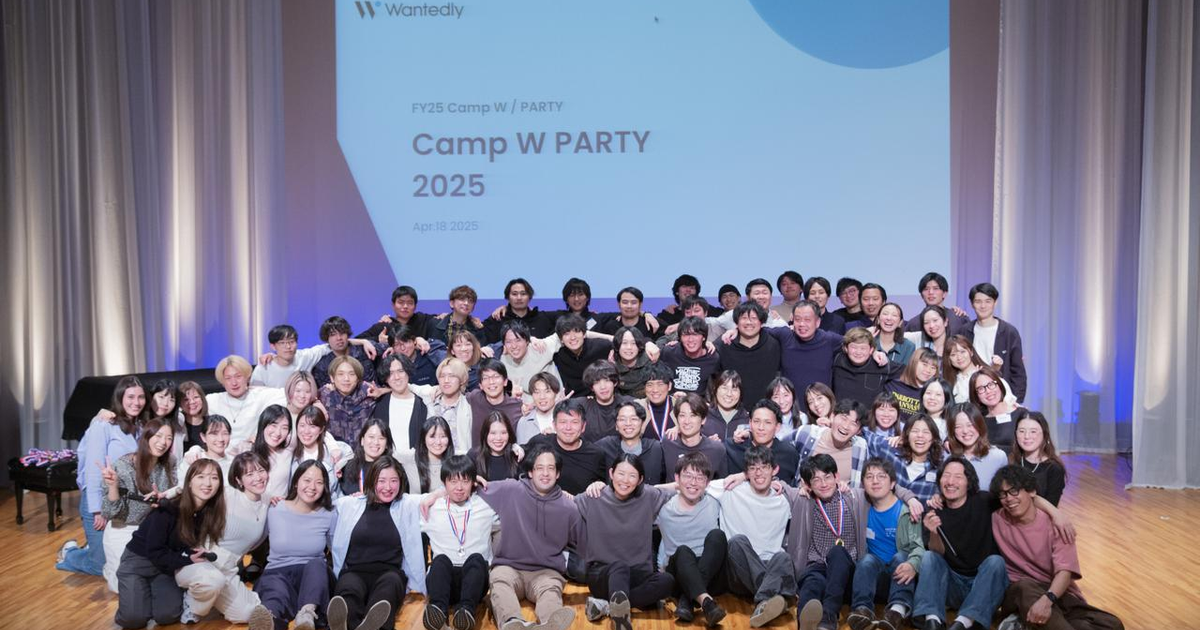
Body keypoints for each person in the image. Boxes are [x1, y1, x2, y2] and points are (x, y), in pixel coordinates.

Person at [913, 456, 1073, 630]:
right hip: (953, 585)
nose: (951, 481)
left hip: (985, 586)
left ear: (969, 482)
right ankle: (933, 620)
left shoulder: (985, 500)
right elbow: (937, 554)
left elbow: (1023, 496)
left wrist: (1055, 513)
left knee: (996, 562)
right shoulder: (934, 510)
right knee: (929, 557)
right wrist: (934, 533)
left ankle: (964, 623)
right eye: (946, 476)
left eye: (958, 477)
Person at [789, 454, 923, 630]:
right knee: (811, 585)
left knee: (838, 552)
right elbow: (778, 485)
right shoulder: (803, 499)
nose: (823, 483)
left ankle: (829, 617)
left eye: (827, 477)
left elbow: (885, 486)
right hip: (818, 566)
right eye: (816, 480)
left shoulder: (855, 497)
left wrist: (911, 498)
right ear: (808, 485)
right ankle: (805, 623)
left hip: (847, 568)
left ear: (837, 477)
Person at [989, 466, 1124, 630]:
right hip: (1020, 591)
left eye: (1014, 491)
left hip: (1055, 592)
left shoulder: (1059, 525)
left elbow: (1065, 572)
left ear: (1031, 491)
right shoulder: (997, 518)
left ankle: (1024, 623)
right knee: (1025, 587)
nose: (1009, 499)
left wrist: (1048, 600)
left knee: (1112, 624)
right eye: (1003, 494)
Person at [113, 458, 225, 630]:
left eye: (214, 478)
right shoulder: (168, 508)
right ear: (189, 482)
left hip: (164, 568)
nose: (208, 483)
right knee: (133, 620)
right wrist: (186, 559)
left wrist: (190, 555)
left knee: (168, 615)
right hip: (138, 562)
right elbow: (155, 552)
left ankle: (146, 598)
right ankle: (138, 601)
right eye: (201, 477)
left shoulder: (208, 512)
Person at [480, 445, 581, 630]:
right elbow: (465, 488)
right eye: (539, 468)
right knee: (499, 582)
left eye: (551, 468)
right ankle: (512, 623)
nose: (545, 473)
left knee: (551, 593)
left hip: (547, 572)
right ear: (530, 472)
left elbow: (583, 543)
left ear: (558, 474)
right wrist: (440, 492)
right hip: (509, 567)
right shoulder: (511, 490)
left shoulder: (569, 508)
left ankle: (550, 625)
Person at [58, 376, 147, 578]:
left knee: (121, 561)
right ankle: (70, 553)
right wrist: (98, 509)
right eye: (130, 397)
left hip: (122, 502)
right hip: (99, 502)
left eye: (141, 397)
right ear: (120, 398)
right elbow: (93, 469)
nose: (136, 402)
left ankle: (93, 546)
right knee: (100, 567)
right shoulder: (104, 424)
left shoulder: (140, 427)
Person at [576, 454, 675, 630]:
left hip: (637, 574)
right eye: (621, 473)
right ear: (611, 473)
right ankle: (620, 619)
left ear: (640, 480)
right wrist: (593, 484)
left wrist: (733, 478)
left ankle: (606, 606)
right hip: (603, 574)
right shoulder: (594, 496)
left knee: (667, 581)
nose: (625, 480)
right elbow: (565, 501)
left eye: (632, 475)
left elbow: (682, 486)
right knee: (619, 567)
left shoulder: (648, 496)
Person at [329, 455, 427, 630]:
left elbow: (439, 494)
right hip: (354, 571)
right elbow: (320, 505)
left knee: (384, 596)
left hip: (390, 573)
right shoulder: (349, 504)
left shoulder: (407, 504)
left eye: (393, 481)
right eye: (381, 481)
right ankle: (347, 625)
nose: (388, 487)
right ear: (372, 480)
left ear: (401, 482)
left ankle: (372, 626)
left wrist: (473, 481)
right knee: (348, 592)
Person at [175, 452, 270, 625]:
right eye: (249, 474)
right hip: (200, 559)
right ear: (239, 480)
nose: (258, 478)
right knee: (213, 582)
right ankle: (192, 603)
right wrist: (165, 495)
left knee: (247, 613)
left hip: (229, 567)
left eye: (261, 471)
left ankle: (211, 596)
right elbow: (189, 490)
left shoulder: (268, 501)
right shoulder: (228, 495)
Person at [719, 445, 798, 628]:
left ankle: (765, 601)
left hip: (770, 565)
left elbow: (809, 493)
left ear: (774, 470)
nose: (759, 473)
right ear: (746, 472)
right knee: (737, 541)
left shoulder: (783, 500)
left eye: (764, 467)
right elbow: (692, 485)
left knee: (783, 557)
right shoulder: (730, 489)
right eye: (753, 468)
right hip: (739, 569)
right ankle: (778, 597)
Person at [418, 455, 500, 630]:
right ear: (444, 483)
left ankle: (465, 611)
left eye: (465, 481)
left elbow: (509, 494)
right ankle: (437, 611)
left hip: (474, 580)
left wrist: (480, 482)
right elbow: (396, 498)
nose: (459, 488)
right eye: (453, 481)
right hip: (444, 580)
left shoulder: (485, 505)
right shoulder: (431, 507)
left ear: (473, 483)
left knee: (477, 559)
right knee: (440, 561)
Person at [255, 460, 338, 630]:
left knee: (317, 564)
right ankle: (269, 620)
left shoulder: (329, 514)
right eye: (307, 480)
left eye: (319, 482)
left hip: (314, 577)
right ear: (295, 482)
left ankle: (307, 615)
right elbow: (253, 538)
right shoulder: (275, 508)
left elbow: (337, 550)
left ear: (325, 487)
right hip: (278, 572)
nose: (312, 487)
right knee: (274, 595)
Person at [848, 458, 926, 630]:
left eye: (881, 476)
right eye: (869, 477)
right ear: (863, 484)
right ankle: (862, 610)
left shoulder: (907, 511)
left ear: (892, 484)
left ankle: (897, 611)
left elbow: (918, 547)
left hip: (901, 577)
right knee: (866, 560)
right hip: (874, 578)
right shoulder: (862, 507)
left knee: (902, 557)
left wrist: (913, 565)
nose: (875, 481)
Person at [100, 419, 177, 592]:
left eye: (169, 438)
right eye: (158, 436)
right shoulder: (123, 467)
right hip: (123, 528)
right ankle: (109, 568)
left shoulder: (169, 462)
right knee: (125, 589)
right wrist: (113, 486)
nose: (163, 442)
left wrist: (162, 501)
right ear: (146, 437)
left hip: (151, 530)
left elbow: (175, 494)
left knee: (155, 588)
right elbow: (111, 513)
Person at [657, 453, 728, 627]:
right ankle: (707, 603)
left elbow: (744, 481)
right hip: (678, 574)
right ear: (677, 478)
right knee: (682, 551)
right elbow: (640, 489)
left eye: (699, 478)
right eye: (687, 476)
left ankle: (688, 599)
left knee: (717, 536)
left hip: (710, 573)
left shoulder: (714, 501)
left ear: (708, 483)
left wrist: (775, 483)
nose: (693, 483)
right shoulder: (663, 506)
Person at [767, 301, 842, 411]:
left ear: (817, 322)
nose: (802, 324)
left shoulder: (829, 339)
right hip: (790, 411)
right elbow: (756, 331)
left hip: (820, 410)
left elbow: (856, 342)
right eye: (797, 319)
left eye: (807, 320)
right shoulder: (785, 335)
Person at [963, 283, 1027, 403]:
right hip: (972, 395)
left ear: (995, 302)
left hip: (1002, 396)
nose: (983, 306)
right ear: (972, 304)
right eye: (978, 301)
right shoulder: (965, 331)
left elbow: (1018, 371)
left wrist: (1016, 402)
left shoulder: (1009, 332)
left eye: (988, 301)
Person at [526, 399, 607, 495]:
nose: (568, 427)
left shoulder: (596, 455)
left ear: (583, 426)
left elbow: (605, 487)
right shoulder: (539, 443)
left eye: (574, 422)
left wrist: (600, 485)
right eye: (563, 422)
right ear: (554, 425)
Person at [207, 355, 287, 445]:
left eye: (238, 376)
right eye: (228, 378)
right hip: (221, 450)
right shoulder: (212, 400)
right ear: (222, 382)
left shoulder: (260, 395)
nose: (234, 383)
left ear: (247, 377)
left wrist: (277, 358)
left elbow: (292, 392)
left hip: (251, 450)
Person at [864, 414, 944, 504]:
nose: (920, 435)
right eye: (915, 431)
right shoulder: (890, 450)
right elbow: (863, 432)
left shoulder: (939, 468)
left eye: (926, 432)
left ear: (933, 438)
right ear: (907, 434)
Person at [790, 399, 869, 488]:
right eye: (844, 418)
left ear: (859, 431)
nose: (846, 426)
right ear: (832, 416)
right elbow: (779, 447)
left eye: (854, 424)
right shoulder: (807, 434)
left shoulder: (861, 448)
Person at [717, 301, 783, 405]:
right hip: (732, 408)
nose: (749, 322)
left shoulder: (773, 344)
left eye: (754, 318)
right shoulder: (725, 344)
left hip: (767, 408)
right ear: (736, 322)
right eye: (744, 318)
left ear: (761, 321)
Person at [725, 400, 800, 487]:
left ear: (777, 427)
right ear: (750, 423)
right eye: (756, 421)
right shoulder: (732, 448)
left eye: (767, 422)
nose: (761, 427)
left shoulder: (789, 454)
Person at [408, 358, 474, 454]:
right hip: (432, 457)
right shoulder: (431, 397)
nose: (446, 380)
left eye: (452, 376)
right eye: (442, 376)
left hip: (460, 459)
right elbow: (407, 386)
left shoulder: (469, 405)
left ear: (462, 380)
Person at [596, 401, 666, 484]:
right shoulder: (605, 446)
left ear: (643, 424)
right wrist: (596, 483)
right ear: (616, 425)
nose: (628, 423)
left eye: (634, 419)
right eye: (622, 419)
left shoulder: (656, 448)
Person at [662, 393, 728, 479]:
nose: (687, 421)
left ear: (703, 420)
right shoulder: (668, 442)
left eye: (693, 415)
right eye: (682, 415)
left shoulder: (717, 449)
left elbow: (722, 483)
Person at [832, 327, 902, 407]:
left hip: (868, 414)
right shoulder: (837, 359)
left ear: (871, 350)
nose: (858, 352)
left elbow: (908, 372)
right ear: (846, 348)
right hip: (841, 413)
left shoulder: (882, 365)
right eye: (854, 347)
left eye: (863, 348)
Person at [319, 355, 381, 444]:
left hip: (363, 449)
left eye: (352, 374)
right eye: (340, 374)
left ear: (358, 378)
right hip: (335, 450)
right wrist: (316, 402)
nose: (346, 379)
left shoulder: (368, 391)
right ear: (332, 378)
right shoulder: (324, 395)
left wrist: (381, 392)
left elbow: (393, 390)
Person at [371, 355, 427, 452]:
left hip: (416, 459)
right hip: (386, 459)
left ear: (408, 372)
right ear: (386, 378)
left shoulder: (423, 404)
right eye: (390, 373)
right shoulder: (379, 405)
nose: (396, 377)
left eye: (400, 371)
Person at [1011, 411, 1067, 506]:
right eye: (1021, 431)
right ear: (1015, 434)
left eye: (1033, 431)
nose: (1027, 436)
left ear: (1044, 434)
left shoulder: (1054, 468)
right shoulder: (1010, 460)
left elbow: (1051, 506)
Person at [946, 403, 1008, 489]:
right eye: (958, 427)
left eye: (970, 425)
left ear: (979, 425)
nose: (965, 431)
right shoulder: (946, 455)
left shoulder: (998, 457)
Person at [251, 324, 331, 388]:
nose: (288, 346)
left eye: (291, 342)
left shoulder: (304, 357)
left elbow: (327, 347)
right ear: (273, 346)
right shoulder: (263, 368)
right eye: (282, 343)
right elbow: (255, 394)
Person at [943, 335, 1016, 405]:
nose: (959, 357)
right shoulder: (951, 383)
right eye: (953, 355)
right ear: (948, 359)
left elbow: (1009, 400)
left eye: (962, 352)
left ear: (971, 352)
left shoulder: (986, 374)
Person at [658, 315, 722, 395]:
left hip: (698, 402)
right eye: (686, 335)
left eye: (695, 334)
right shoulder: (669, 352)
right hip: (672, 400)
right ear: (680, 338)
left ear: (704, 337)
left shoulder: (713, 358)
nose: (690, 339)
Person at [552, 314, 611, 398]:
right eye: (567, 334)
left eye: (576, 331)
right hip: (573, 401)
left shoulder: (601, 346)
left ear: (584, 334)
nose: (572, 337)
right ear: (561, 339)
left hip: (600, 398)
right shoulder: (559, 355)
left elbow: (621, 345)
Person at [175, 415, 234, 499]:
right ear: (203, 437)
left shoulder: (234, 464)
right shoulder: (194, 458)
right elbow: (181, 487)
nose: (220, 439)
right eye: (214, 434)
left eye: (225, 433)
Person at [313, 317, 378, 391]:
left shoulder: (364, 349)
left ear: (347, 335)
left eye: (342, 333)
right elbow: (323, 392)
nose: (339, 338)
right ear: (327, 338)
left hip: (374, 394)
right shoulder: (323, 366)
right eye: (333, 335)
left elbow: (387, 348)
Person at [482, 278, 555, 343]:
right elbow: (478, 333)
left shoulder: (543, 318)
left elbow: (562, 318)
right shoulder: (497, 319)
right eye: (514, 294)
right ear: (508, 297)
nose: (519, 298)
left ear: (529, 297)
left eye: (523, 294)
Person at [969, 367, 1021, 454]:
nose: (988, 391)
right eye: (981, 389)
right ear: (976, 395)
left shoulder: (1021, 415)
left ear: (999, 385)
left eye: (991, 384)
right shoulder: (978, 421)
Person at [357, 285, 435, 342]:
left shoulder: (424, 320)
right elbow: (356, 340)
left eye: (410, 303)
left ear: (415, 306)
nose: (405, 306)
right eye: (401, 302)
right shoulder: (385, 325)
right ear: (393, 305)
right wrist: (377, 339)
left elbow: (441, 318)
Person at [340, 419, 395, 498]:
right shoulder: (349, 467)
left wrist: (369, 497)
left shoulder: (394, 468)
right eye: (371, 437)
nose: (376, 442)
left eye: (381, 438)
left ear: (387, 444)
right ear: (362, 440)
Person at [580, 361, 634, 442]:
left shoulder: (629, 403)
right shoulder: (582, 405)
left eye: (607, 380)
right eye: (597, 382)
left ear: (615, 382)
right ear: (591, 387)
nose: (603, 387)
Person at [379, 323, 446, 387]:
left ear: (414, 341)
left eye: (406, 342)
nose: (403, 348)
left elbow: (446, 354)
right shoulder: (390, 364)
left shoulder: (429, 354)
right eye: (397, 345)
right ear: (392, 347)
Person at [905, 273, 970, 337]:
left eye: (936, 288)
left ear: (944, 293)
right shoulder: (913, 323)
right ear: (921, 295)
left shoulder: (959, 318)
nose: (931, 292)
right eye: (926, 289)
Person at [401, 416, 455, 494]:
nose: (438, 442)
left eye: (443, 436)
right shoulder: (410, 458)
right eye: (432, 436)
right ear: (424, 438)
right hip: (416, 502)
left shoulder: (455, 461)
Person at [886, 348, 940, 423]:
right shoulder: (895, 374)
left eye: (933, 368)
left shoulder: (931, 393)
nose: (928, 370)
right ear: (914, 362)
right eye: (924, 364)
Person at [592, 286, 662, 340]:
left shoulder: (651, 324)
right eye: (625, 302)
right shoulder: (610, 327)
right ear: (619, 304)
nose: (629, 306)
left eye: (634, 302)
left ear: (640, 305)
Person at [470, 411, 522, 481]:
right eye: (493, 433)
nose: (498, 438)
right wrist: (473, 478)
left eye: (503, 433)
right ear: (485, 434)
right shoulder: (473, 456)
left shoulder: (517, 456)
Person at [515, 372, 561, 445]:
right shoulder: (524, 422)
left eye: (547, 391)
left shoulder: (565, 420)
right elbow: (522, 450)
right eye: (537, 392)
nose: (542, 397)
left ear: (556, 393)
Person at [613, 326, 657, 398]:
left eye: (633, 343)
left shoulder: (651, 362)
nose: (629, 347)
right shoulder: (612, 366)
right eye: (624, 343)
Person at [703, 369, 749, 439]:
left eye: (734, 389)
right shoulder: (703, 415)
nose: (729, 394)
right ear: (715, 390)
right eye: (724, 388)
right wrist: (707, 443)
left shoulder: (747, 419)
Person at [641, 362, 676, 440]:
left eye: (660, 384)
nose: (655, 390)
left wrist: (681, 429)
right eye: (649, 385)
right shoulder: (637, 407)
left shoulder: (680, 406)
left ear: (669, 386)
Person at [767, 376, 808, 443]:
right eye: (776, 397)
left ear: (793, 396)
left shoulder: (802, 418)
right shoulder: (765, 419)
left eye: (786, 395)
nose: (781, 401)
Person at [874, 303, 916, 368]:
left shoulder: (908, 347)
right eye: (885, 314)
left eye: (894, 315)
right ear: (878, 319)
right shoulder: (868, 343)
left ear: (900, 323)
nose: (889, 318)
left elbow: (906, 372)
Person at [178, 381, 209, 453]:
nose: (192, 402)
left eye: (196, 397)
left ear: (202, 399)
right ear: (180, 403)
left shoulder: (211, 423)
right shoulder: (177, 424)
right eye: (186, 399)